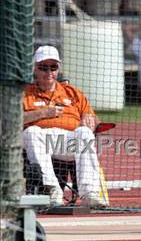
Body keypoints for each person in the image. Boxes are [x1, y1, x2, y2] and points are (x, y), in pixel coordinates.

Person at [22, 46, 107, 207]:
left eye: (53, 67)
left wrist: (90, 118)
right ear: (35, 68)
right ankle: (52, 189)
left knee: (84, 133)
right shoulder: (25, 93)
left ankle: (90, 193)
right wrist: (42, 113)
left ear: (58, 69)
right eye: (43, 67)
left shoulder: (72, 92)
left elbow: (93, 116)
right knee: (32, 131)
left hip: (66, 142)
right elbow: (12, 120)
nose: (49, 72)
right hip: (38, 140)